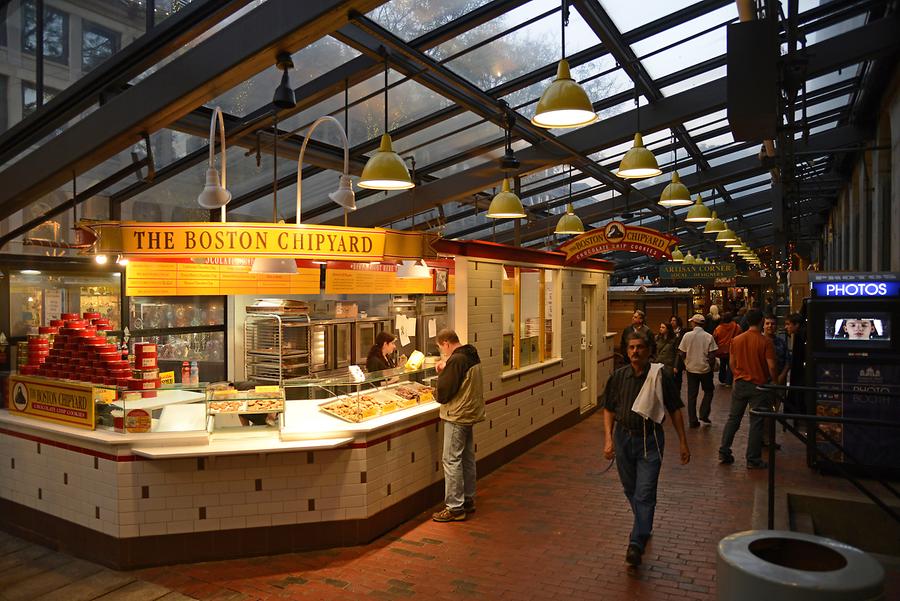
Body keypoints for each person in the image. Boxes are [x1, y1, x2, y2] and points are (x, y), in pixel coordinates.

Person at [602, 332, 690, 567]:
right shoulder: (619, 377)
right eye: (631, 347)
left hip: (649, 440)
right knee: (631, 489)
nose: (635, 352)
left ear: (648, 350)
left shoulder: (659, 376)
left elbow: (675, 409)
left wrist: (683, 441)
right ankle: (644, 524)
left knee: (645, 492)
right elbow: (609, 409)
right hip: (623, 439)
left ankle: (636, 543)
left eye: (640, 347)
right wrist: (608, 440)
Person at [432, 329, 485, 522]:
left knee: (451, 459)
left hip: (457, 414)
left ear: (446, 343)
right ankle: (468, 499)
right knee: (466, 457)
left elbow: (444, 392)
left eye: (441, 348)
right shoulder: (471, 353)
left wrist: (438, 383)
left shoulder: (456, 360)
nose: (443, 352)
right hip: (470, 412)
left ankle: (455, 507)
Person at [718, 309, 776, 469]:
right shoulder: (765, 342)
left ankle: (724, 450)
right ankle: (753, 458)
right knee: (756, 421)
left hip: (741, 382)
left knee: (733, 418)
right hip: (759, 384)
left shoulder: (737, 340)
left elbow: (732, 363)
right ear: (761, 321)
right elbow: (771, 366)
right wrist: (774, 381)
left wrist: (737, 374)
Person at [678, 314, 718, 428]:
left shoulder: (687, 336)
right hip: (705, 369)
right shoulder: (708, 337)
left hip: (691, 369)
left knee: (692, 395)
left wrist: (686, 363)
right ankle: (704, 413)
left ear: (694, 323)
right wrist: (710, 366)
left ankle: (692, 420)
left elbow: (681, 352)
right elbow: (712, 355)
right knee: (708, 391)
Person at [783, 313, 806, 416]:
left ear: (796, 325)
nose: (786, 327)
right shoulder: (800, 335)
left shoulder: (802, 336)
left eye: (788, 324)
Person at [713, 313, 742, 386]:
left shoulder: (719, 328)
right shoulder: (736, 326)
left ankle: (722, 378)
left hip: (721, 349)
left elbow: (715, 337)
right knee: (730, 365)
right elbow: (740, 336)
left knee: (722, 363)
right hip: (733, 348)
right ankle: (728, 381)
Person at [670, 315, 686, 390]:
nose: (672, 322)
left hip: (679, 356)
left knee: (678, 376)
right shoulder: (669, 331)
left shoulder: (682, 332)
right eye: (671, 320)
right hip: (671, 356)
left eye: (674, 320)